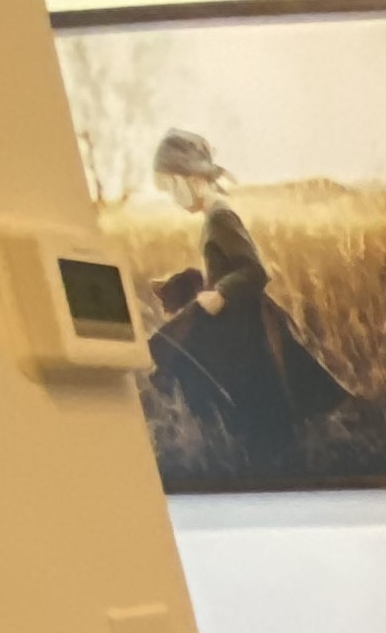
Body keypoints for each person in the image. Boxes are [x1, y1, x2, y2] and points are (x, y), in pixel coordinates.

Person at [145, 126, 353, 471]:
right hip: (236, 324)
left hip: (245, 327)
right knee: (249, 395)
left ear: (189, 178)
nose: (172, 198)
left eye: (170, 188)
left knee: (252, 392)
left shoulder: (220, 217)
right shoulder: (213, 218)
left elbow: (254, 270)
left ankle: (276, 461)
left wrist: (222, 292)